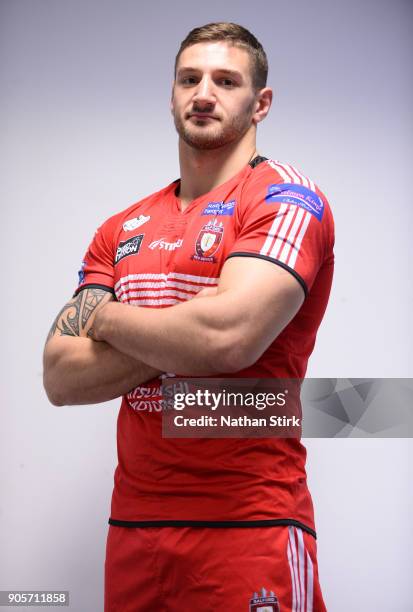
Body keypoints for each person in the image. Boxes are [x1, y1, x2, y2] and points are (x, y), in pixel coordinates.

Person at [43, 22, 334, 612]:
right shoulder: (120, 227)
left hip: (250, 525)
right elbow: (59, 377)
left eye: (226, 80)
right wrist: (186, 324)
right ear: (172, 94)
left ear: (260, 104)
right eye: (189, 79)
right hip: (132, 530)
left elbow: (227, 338)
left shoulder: (285, 199)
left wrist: (106, 316)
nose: (204, 92)